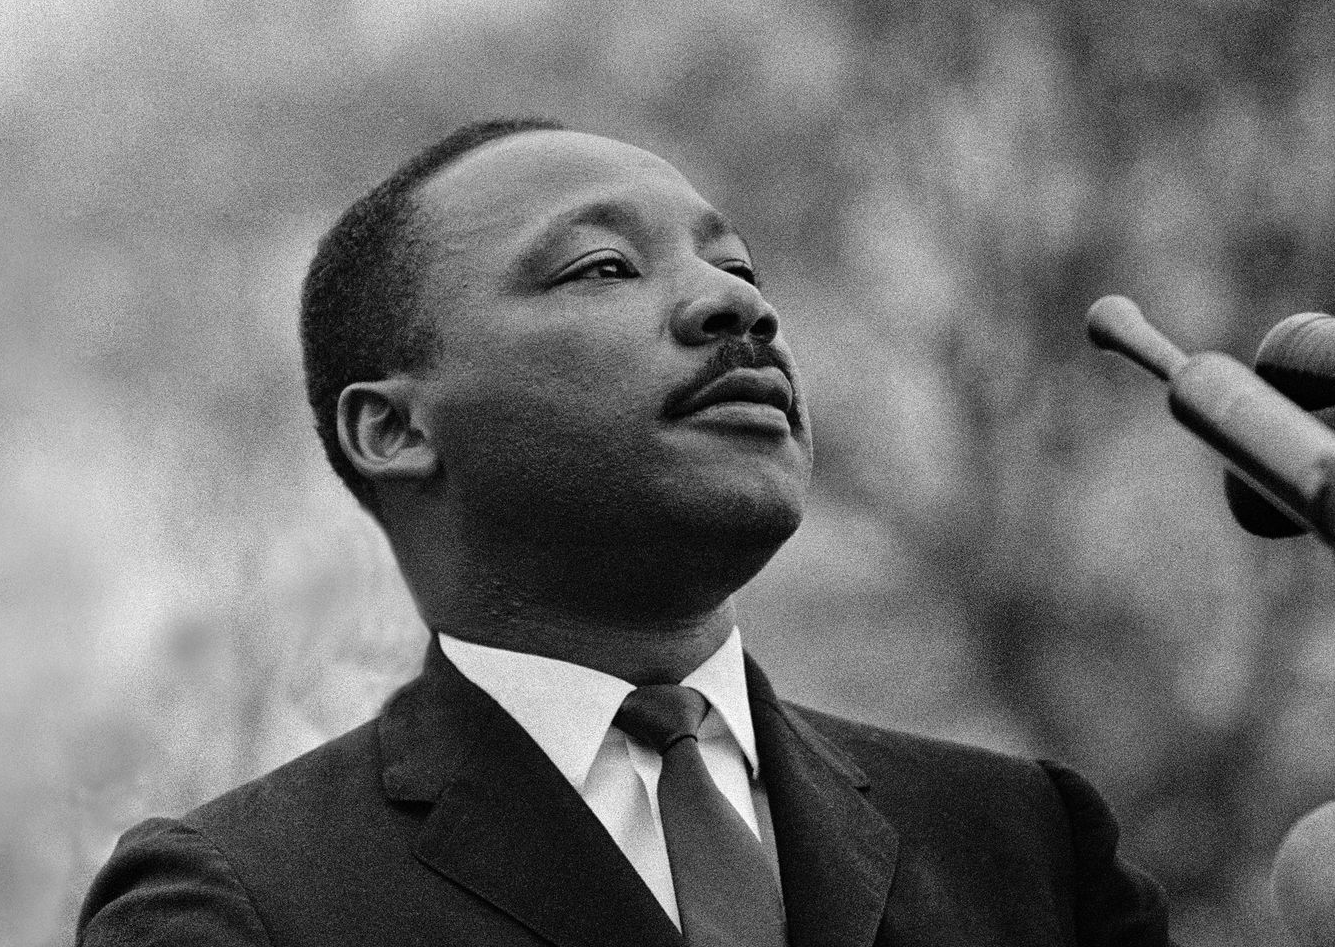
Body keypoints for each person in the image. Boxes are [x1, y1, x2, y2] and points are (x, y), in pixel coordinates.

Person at [76, 118, 1172, 946]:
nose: (736, 308)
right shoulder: (244, 901)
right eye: (601, 268)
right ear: (397, 427)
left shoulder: (1024, 841)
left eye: (737, 267)